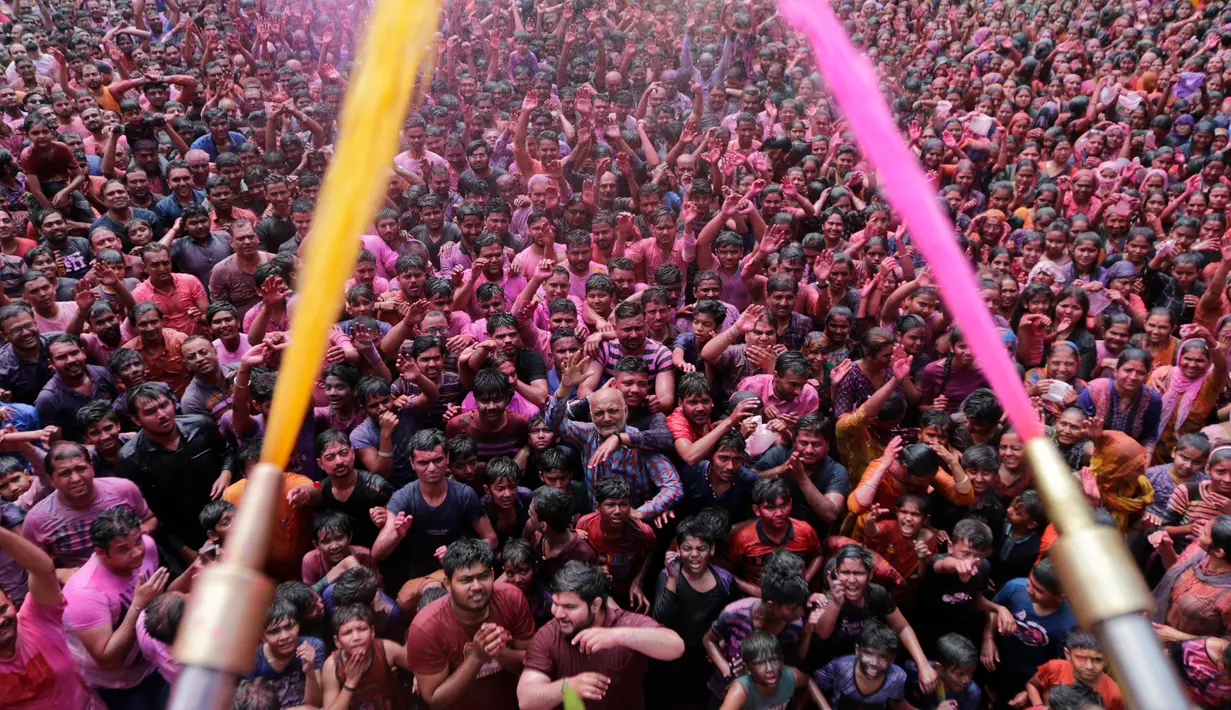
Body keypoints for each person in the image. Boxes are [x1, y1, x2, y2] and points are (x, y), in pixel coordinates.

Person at [517, 561, 685, 710]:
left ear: (595, 605)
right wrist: (568, 687)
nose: (558, 613)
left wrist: (617, 636)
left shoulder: (624, 623)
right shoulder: (549, 634)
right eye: (555, 604)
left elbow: (675, 646)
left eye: (569, 606)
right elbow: (526, 700)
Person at [405, 538, 535, 710]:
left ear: (493, 575)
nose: (476, 586)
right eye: (465, 580)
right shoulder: (426, 627)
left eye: (483, 576)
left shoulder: (512, 599)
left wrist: (499, 652)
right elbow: (435, 700)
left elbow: (531, 663)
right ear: (448, 584)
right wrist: (476, 658)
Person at [0, 517, 105, 708]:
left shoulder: (36, 619)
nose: (0, 621)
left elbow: (44, 571)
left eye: (2, 609)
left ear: (10, 599)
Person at [719, 630, 831, 710]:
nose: (770, 669)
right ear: (748, 669)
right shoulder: (741, 690)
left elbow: (808, 681)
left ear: (782, 661)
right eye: (760, 663)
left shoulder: (789, 676)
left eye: (773, 660)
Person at [1018, 630, 1125, 710]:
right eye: (1081, 658)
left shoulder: (1114, 694)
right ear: (1068, 654)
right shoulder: (1055, 667)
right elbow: (1032, 685)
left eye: (1097, 660)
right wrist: (1039, 706)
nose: (1089, 666)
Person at [814, 623, 910, 709]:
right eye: (868, 653)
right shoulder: (840, 667)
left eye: (883, 657)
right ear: (857, 650)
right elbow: (814, 686)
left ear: (892, 659)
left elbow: (895, 702)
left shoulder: (897, 676)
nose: (874, 662)